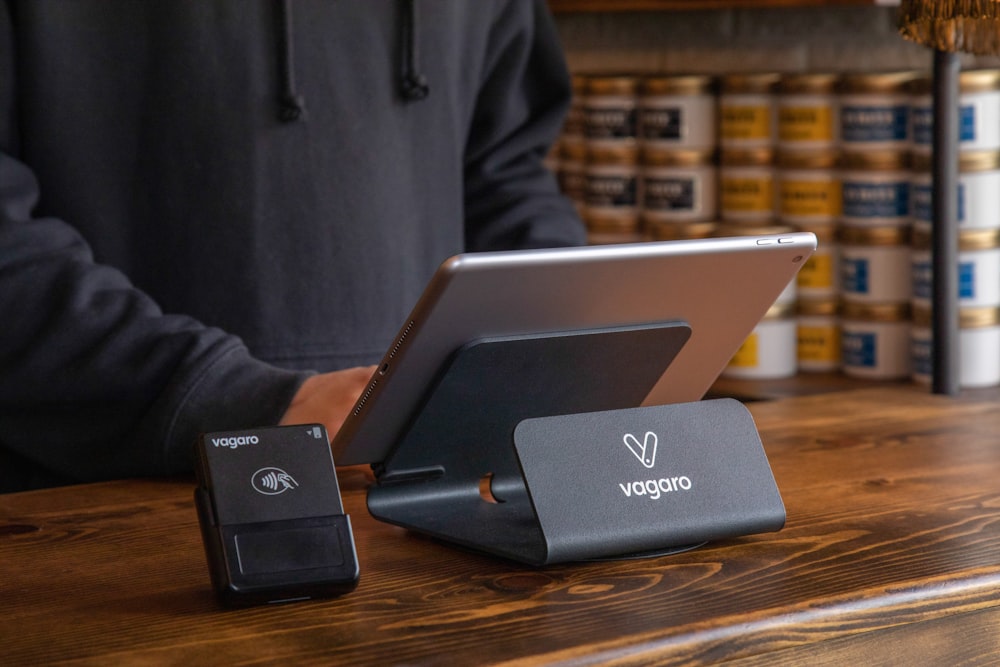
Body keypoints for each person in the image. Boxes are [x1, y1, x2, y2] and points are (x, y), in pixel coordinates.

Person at [0, 1, 585, 492]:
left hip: (425, 485)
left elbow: (502, 170)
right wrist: (240, 404)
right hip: (105, 502)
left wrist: (576, 333)